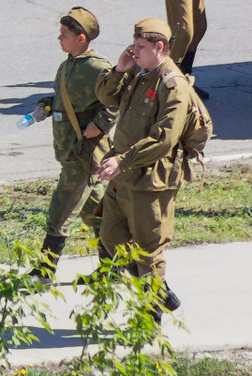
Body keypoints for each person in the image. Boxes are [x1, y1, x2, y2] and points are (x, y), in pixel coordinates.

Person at [94, 18, 193, 323]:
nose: (133, 51)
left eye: (140, 47)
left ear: (159, 47)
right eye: (133, 46)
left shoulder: (172, 86)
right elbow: (107, 97)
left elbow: (164, 139)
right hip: (123, 175)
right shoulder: (141, 72)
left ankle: (149, 321)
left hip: (149, 181)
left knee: (147, 251)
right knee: (110, 238)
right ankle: (161, 293)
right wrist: (121, 69)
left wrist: (121, 161)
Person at [30, 7, 115, 284]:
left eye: (65, 34)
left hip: (84, 153)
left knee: (60, 211)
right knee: (97, 213)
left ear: (81, 38)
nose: (59, 38)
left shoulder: (97, 67)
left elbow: (117, 98)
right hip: (70, 150)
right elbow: (65, 99)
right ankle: (113, 269)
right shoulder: (67, 64)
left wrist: (100, 124)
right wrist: (46, 105)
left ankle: (44, 273)